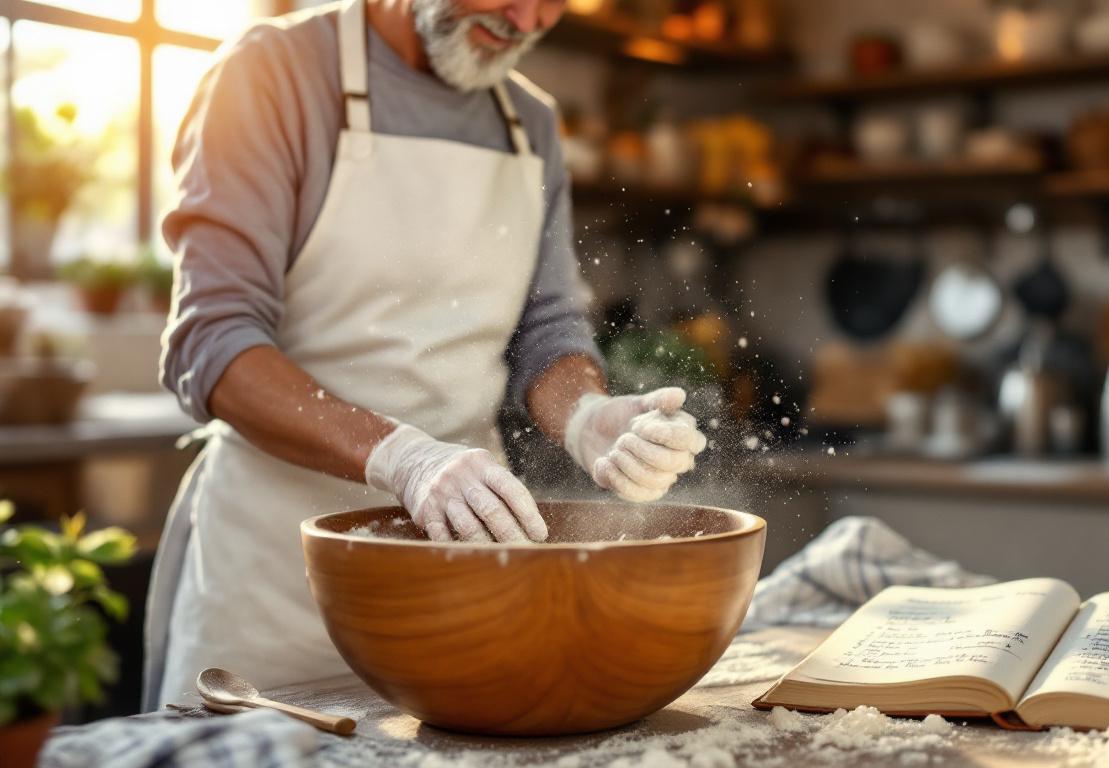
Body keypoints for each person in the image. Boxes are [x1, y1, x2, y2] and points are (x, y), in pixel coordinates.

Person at [143, 0, 707, 710]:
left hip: (464, 576)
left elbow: (548, 332)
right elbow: (213, 341)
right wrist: (406, 459)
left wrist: (586, 414)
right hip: (274, 589)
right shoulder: (271, 76)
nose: (528, 20)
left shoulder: (529, 123)